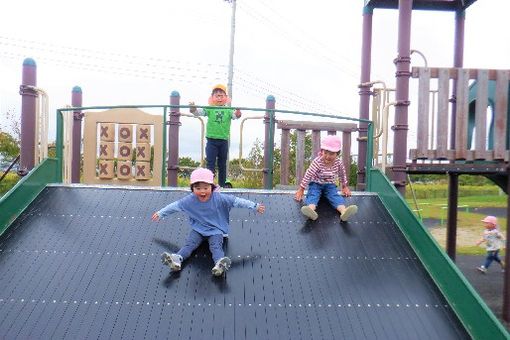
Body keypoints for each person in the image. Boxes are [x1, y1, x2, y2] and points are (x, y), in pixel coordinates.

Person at [151, 168, 265, 276]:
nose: (202, 192)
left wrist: (254, 206)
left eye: (206, 188)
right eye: (198, 188)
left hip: (216, 230)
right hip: (198, 230)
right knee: (189, 244)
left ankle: (219, 263)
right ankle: (177, 259)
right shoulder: (189, 200)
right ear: (192, 189)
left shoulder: (219, 198)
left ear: (211, 187)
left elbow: (238, 201)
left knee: (215, 247)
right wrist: (161, 213)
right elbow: (174, 206)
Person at [294, 134, 358, 222]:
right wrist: (301, 189)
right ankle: (311, 210)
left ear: (337, 153)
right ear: (322, 151)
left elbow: (342, 174)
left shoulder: (338, 163)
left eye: (331, 154)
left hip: (329, 185)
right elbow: (308, 174)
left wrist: (344, 186)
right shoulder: (318, 161)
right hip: (316, 183)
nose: (328, 156)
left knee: (334, 195)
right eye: (325, 153)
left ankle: (343, 212)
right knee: (313, 194)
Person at [189, 84, 241, 187]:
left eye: (222, 96)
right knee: (210, 163)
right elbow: (198, 112)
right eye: (217, 96)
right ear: (212, 98)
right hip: (211, 140)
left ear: (226, 98)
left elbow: (235, 116)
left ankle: (222, 185)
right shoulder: (210, 108)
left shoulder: (228, 110)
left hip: (223, 141)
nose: (219, 98)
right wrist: (193, 108)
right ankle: (209, 184)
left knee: (222, 164)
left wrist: (238, 113)